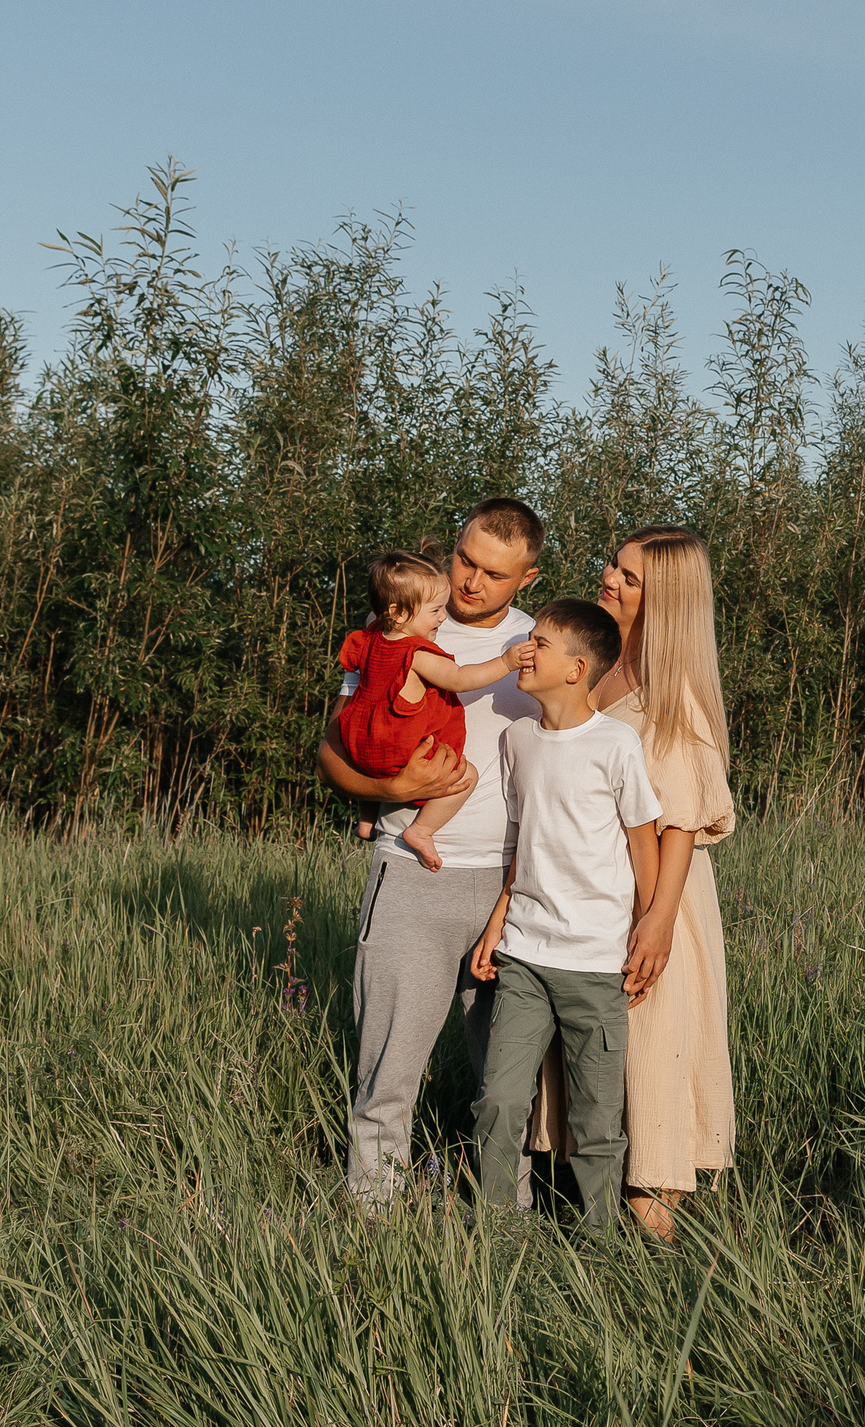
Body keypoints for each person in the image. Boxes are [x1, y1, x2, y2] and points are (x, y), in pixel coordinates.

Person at [318, 497, 543, 1206]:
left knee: (512, 1087)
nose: (473, 582)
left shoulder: (541, 646)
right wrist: (392, 784)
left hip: (513, 888)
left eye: (495, 574)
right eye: (465, 560)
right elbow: (331, 752)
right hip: (410, 876)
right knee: (387, 1078)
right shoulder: (393, 628)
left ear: (528, 579)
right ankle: (370, 1232)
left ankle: (510, 1231)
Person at [529, 523, 737, 1241]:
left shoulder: (670, 689)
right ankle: (595, 1224)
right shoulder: (603, 664)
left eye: (629, 576)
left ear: (667, 598)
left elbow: (681, 819)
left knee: (651, 1056)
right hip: (594, 890)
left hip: (658, 897)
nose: (609, 580)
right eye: (612, 567)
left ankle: (655, 1252)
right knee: (599, 1059)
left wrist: (657, 919)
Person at [466, 599, 661, 1228]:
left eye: (540, 643)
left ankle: (601, 1246)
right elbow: (523, 842)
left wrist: (647, 928)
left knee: (596, 1117)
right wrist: (497, 924)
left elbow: (643, 842)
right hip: (524, 953)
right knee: (498, 1099)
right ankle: (496, 1232)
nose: (527, 651)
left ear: (577, 669)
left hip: (596, 964)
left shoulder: (615, 743)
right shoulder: (517, 740)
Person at [337, 549, 537, 870]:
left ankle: (366, 817)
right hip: (396, 755)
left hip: (360, 744)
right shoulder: (416, 653)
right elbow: (459, 678)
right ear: (398, 613)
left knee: (374, 762)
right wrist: (506, 661)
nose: (443, 618)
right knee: (465, 775)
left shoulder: (371, 638)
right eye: (435, 610)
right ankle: (422, 830)